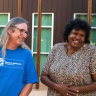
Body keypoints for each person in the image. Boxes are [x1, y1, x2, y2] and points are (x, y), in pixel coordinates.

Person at [41, 19, 96, 96]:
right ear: (68, 34)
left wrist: (71, 90)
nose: (78, 37)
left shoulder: (91, 51)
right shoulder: (56, 48)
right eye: (75, 33)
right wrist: (58, 87)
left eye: (82, 35)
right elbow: (43, 76)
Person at [0, 17, 38, 96]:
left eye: (26, 32)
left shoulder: (26, 54)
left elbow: (29, 82)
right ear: (10, 30)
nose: (24, 35)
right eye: (21, 31)